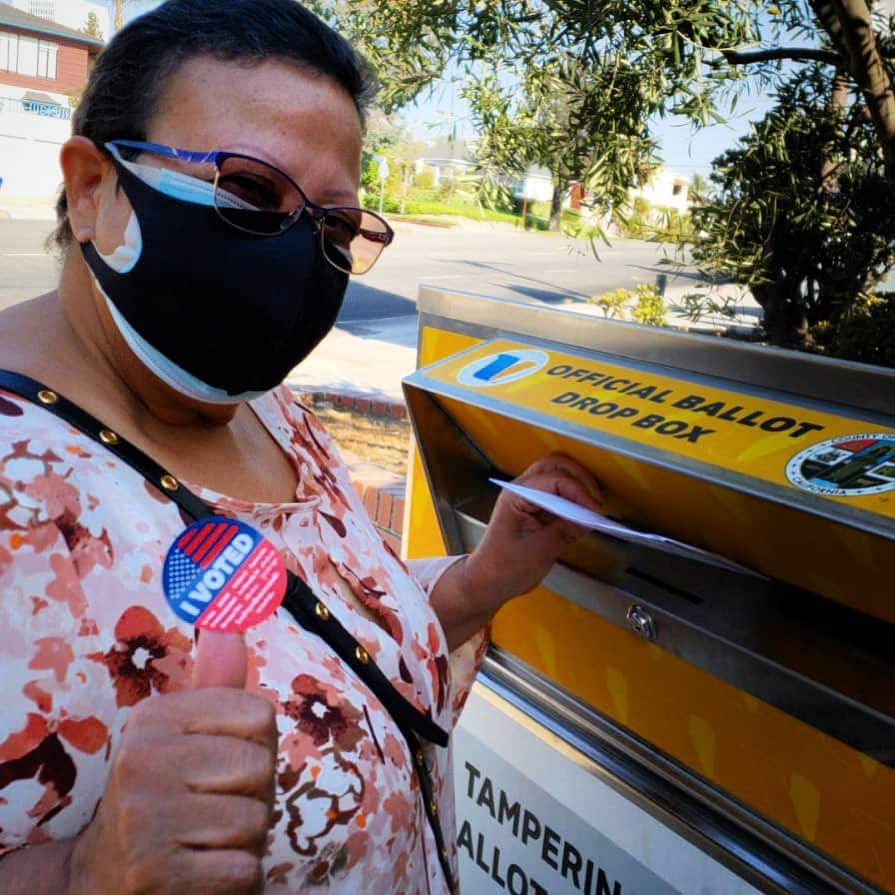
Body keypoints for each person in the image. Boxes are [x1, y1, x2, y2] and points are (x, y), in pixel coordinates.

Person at [0, 2, 603, 893]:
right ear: (92, 186)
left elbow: (336, 645)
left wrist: (478, 584)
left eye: (331, 226)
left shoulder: (264, 407)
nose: (293, 255)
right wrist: (88, 873)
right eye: (249, 191)